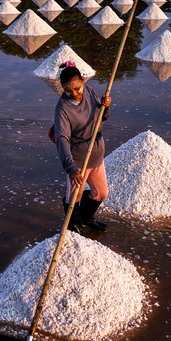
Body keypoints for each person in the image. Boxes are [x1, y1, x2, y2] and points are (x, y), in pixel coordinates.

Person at [52, 61, 111, 233]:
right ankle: (71, 225)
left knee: (101, 193)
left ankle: (85, 219)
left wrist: (105, 107)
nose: (74, 94)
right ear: (62, 88)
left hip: (96, 154)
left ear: (83, 81)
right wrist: (71, 168)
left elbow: (102, 118)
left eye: (77, 88)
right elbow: (62, 139)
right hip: (78, 160)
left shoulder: (90, 92)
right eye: (68, 90)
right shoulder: (62, 109)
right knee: (74, 197)